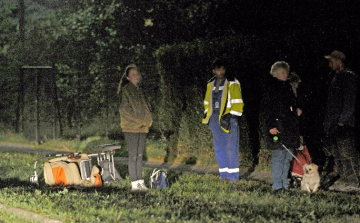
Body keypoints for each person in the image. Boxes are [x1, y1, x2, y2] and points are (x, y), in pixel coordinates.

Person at [261, 61, 302, 191]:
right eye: (283, 72)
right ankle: (277, 185)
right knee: (279, 156)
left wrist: (296, 110)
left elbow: (290, 104)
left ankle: (284, 183)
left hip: (289, 127)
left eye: (286, 72)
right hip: (278, 127)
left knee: (287, 156)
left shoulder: (287, 87)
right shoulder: (270, 88)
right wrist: (271, 126)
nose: (285, 75)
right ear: (275, 74)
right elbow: (267, 110)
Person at [202, 58, 244, 182]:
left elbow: (237, 101)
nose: (220, 72)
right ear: (213, 71)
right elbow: (206, 102)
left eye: (222, 69)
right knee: (219, 147)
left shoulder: (232, 81)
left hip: (228, 119)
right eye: (218, 69)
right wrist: (208, 118)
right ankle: (224, 175)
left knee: (231, 147)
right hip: (214, 119)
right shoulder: (210, 84)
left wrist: (231, 116)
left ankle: (233, 177)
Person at [323, 50, 359, 187]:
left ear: (339, 61)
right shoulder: (335, 77)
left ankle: (354, 179)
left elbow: (349, 102)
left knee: (347, 152)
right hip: (333, 123)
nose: (329, 64)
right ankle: (345, 178)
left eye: (331, 61)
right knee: (337, 152)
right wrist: (328, 123)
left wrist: (342, 121)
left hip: (344, 123)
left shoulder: (348, 76)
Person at [118, 64, 153, 191]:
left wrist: (148, 121)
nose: (136, 76)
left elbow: (146, 109)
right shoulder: (126, 90)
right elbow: (125, 110)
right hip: (131, 128)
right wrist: (140, 120)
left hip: (142, 128)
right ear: (127, 77)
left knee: (139, 155)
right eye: (133, 74)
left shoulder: (140, 90)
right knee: (133, 155)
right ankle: (134, 183)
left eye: (137, 73)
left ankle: (140, 182)